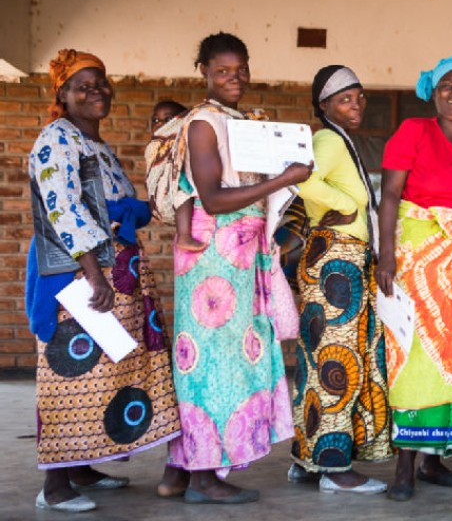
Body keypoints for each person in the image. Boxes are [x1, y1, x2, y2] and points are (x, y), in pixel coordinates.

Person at [27, 49, 182, 512]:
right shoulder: (56, 139)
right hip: (78, 273)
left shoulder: (94, 143)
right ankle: (54, 486)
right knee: (70, 375)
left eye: (100, 83)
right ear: (63, 94)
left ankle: (82, 468)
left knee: (104, 370)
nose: (95, 91)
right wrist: (94, 274)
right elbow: (64, 211)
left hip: (113, 268)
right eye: (82, 85)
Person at [169, 32, 311, 504]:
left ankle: (194, 472)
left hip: (242, 255)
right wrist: (283, 178)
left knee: (236, 359)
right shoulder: (205, 123)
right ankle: (204, 476)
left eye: (241, 69)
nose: (235, 78)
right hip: (213, 260)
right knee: (211, 362)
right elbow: (211, 197)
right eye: (223, 70)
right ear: (204, 73)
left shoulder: (243, 122)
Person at [374, 56, 452, 501]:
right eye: (447, 84)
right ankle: (404, 467)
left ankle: (434, 460)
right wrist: (385, 257)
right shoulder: (413, 130)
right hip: (416, 254)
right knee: (414, 358)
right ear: (432, 91)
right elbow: (389, 195)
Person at [286, 66, 390, 494]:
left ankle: (306, 460)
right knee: (336, 361)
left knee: (323, 360)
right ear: (324, 106)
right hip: (336, 262)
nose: (356, 105)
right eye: (345, 99)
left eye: (360, 97)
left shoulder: (340, 140)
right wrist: (345, 203)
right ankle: (334, 468)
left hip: (338, 260)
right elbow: (302, 176)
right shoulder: (327, 139)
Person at [146, 100, 206, 253]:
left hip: (179, 179)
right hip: (165, 186)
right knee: (182, 193)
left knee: (182, 191)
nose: (160, 123)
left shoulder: (183, 135)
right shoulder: (155, 143)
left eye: (168, 119)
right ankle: (184, 236)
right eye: (155, 120)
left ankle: (184, 235)